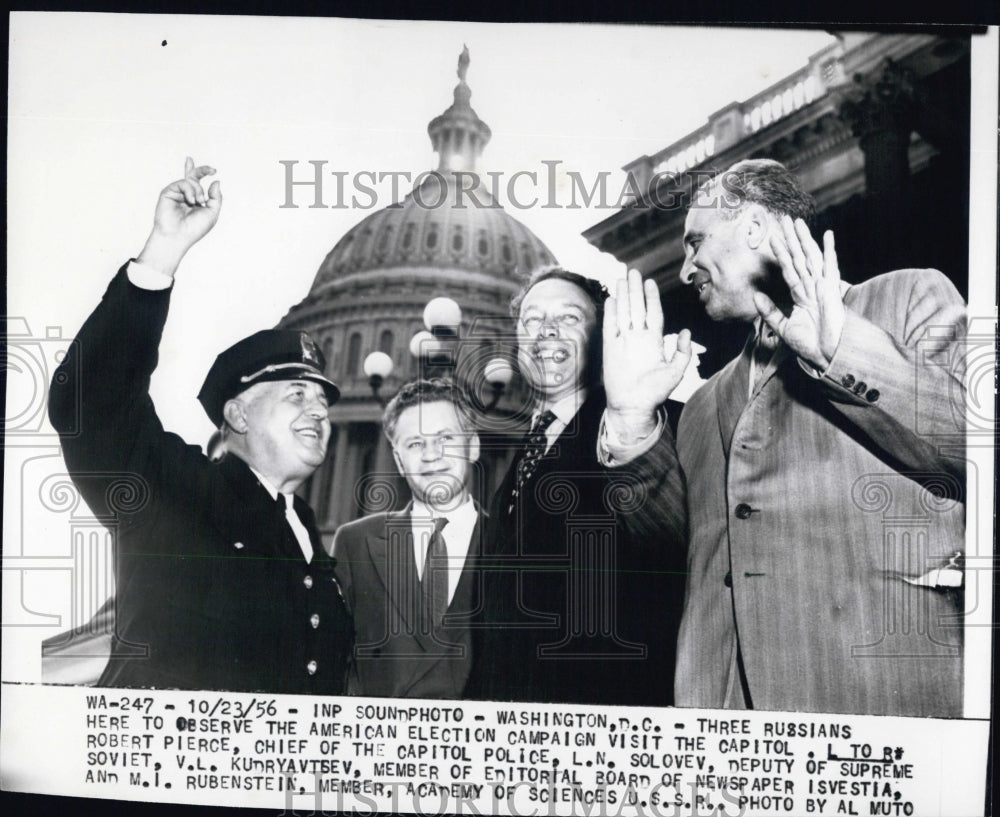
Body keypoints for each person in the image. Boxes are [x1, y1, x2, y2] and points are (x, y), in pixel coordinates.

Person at [603, 158, 966, 717]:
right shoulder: (702, 405)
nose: (685, 270)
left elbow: (976, 443)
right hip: (729, 728)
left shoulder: (910, 298)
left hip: (883, 702)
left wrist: (840, 352)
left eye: (695, 243)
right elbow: (679, 555)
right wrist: (631, 425)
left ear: (752, 226)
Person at [47, 158, 352, 693]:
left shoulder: (306, 534)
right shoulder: (178, 491)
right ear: (237, 415)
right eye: (295, 394)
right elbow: (94, 405)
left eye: (323, 401)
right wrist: (163, 252)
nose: (318, 412)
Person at [464, 268, 690, 706]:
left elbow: (670, 542)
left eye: (568, 318)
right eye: (531, 320)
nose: (546, 330)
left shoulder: (656, 426)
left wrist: (633, 424)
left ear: (602, 337)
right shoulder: (517, 462)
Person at [331, 379, 483, 698]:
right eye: (415, 444)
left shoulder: (510, 546)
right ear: (399, 462)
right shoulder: (354, 543)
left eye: (445, 439)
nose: (432, 455)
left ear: (473, 446)